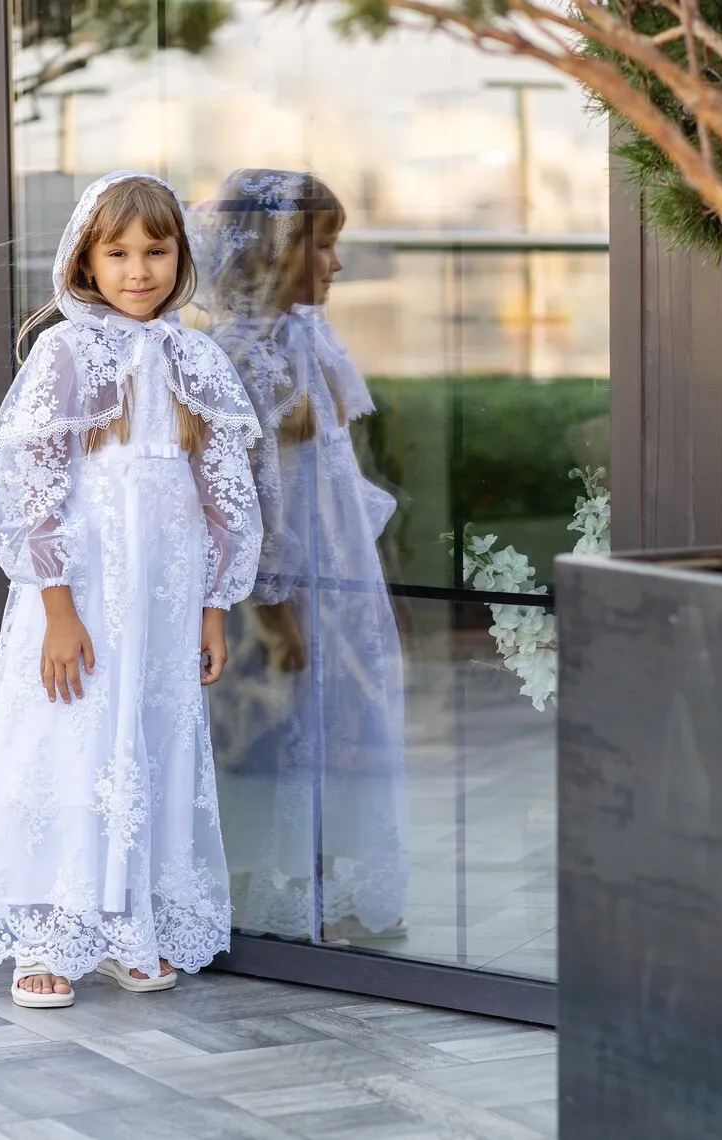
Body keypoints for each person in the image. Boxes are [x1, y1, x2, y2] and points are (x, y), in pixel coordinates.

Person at [0, 171, 263, 1008]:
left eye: (156, 251)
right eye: (117, 253)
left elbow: (225, 498)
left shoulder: (197, 357)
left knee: (146, 743)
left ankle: (129, 926)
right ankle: (48, 932)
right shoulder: (66, 353)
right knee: (70, 740)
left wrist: (214, 610)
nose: (139, 270)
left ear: (179, 256)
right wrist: (55, 611)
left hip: (166, 601)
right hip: (81, 598)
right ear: (85, 260)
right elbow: (30, 492)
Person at [191, 169, 409, 945]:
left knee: (341, 734)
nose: (337, 265)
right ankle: (264, 892)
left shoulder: (303, 338)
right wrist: (276, 613)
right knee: (271, 741)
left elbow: (337, 478)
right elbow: (244, 494)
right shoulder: (239, 355)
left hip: (333, 577)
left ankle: (319, 881)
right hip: (275, 595)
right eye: (324, 244)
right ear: (277, 249)